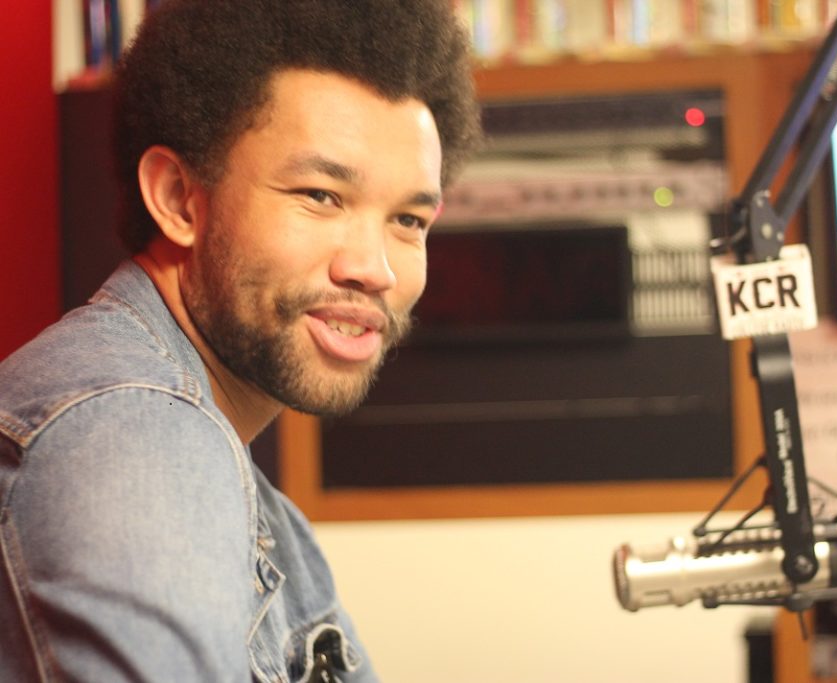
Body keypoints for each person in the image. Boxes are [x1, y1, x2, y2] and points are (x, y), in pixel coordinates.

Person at [0, 0, 481, 680]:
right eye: (320, 195)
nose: (374, 267)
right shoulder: (137, 433)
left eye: (408, 218)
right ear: (177, 197)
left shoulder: (194, 441)